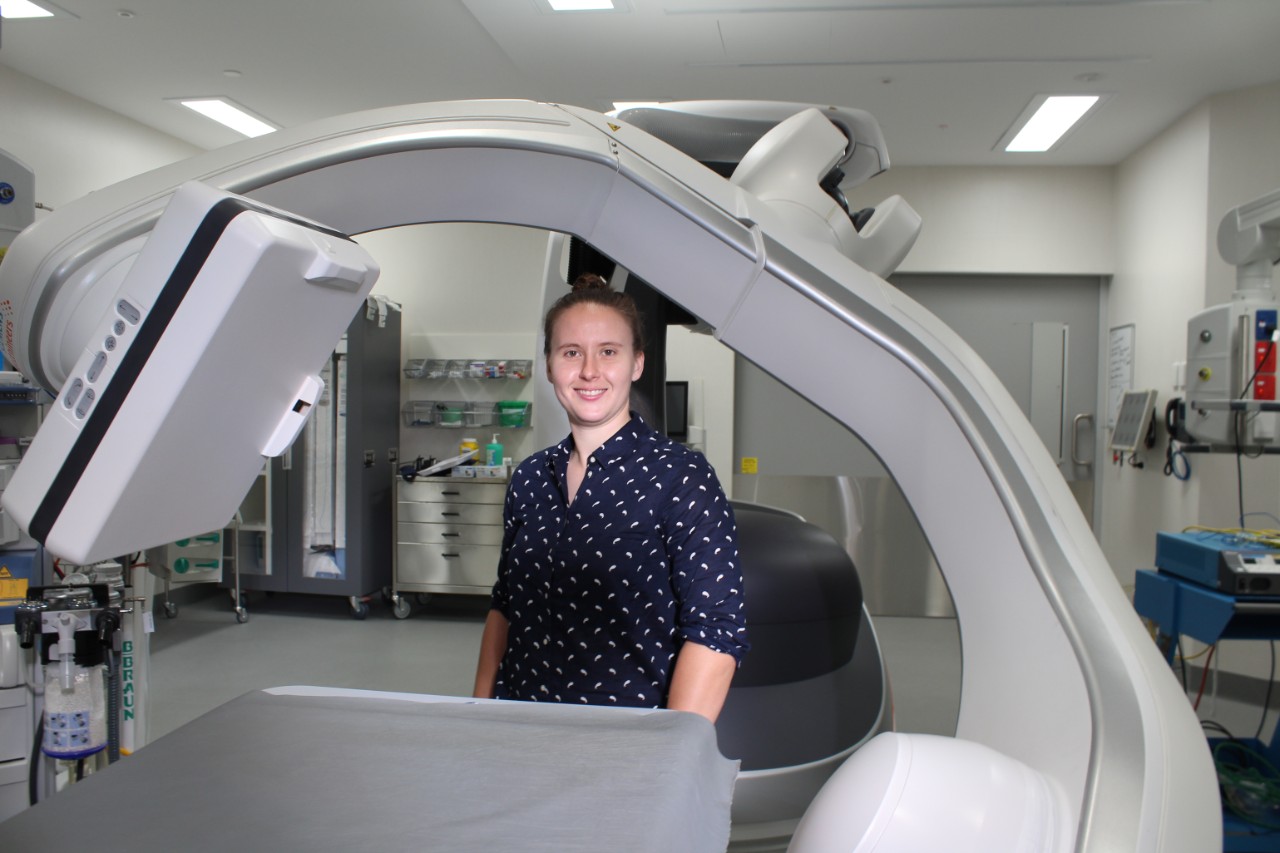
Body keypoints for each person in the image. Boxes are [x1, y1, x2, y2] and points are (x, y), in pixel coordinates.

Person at [473, 273, 748, 722]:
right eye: (570, 352)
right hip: (519, 727)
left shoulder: (681, 477)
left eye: (608, 351)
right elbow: (504, 608)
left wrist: (668, 760)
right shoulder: (529, 478)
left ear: (637, 363)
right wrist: (478, 714)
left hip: (628, 740)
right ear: (548, 365)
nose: (589, 371)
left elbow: (716, 633)